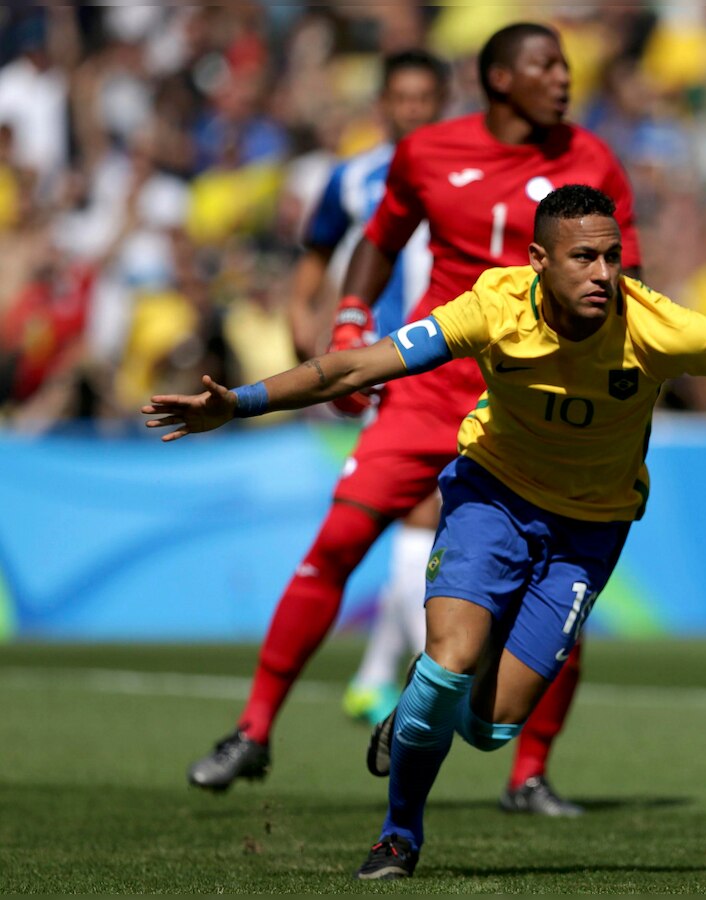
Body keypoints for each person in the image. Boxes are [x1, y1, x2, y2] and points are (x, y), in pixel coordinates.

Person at [143, 183, 706, 879]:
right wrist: (244, 402)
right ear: (538, 263)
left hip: (591, 530)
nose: (603, 272)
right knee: (444, 667)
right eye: (584, 257)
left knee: (490, 726)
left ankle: (417, 719)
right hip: (490, 498)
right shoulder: (492, 307)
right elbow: (357, 364)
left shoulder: (657, 324)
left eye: (612, 255)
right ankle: (399, 837)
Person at [185, 23, 643, 820]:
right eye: (546, 66)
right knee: (336, 544)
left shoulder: (592, 161)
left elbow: (624, 277)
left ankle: (527, 774)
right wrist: (350, 317)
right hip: (427, 389)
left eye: (566, 65)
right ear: (499, 79)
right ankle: (253, 731)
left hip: (528, 405)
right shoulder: (427, 151)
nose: (565, 79)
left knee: (556, 582)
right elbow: (377, 239)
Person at [286, 49, 448, 728]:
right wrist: (314, 349)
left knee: (431, 518)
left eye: (424, 98)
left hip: (449, 357)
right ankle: (428, 685)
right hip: (386, 365)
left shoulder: (463, 170)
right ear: (382, 101)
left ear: (442, 101)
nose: (412, 109)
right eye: (401, 97)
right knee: (426, 512)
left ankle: (377, 675)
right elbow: (312, 268)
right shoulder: (351, 179)